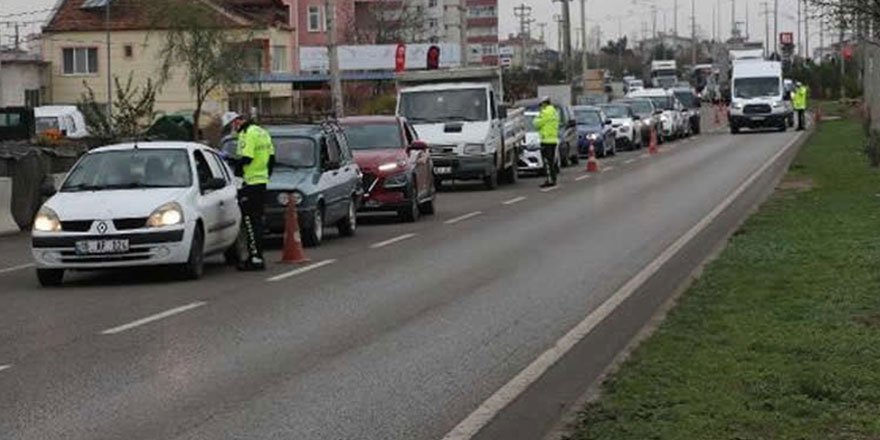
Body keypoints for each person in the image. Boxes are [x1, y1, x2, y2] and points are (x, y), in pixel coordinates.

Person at [222, 112, 276, 271]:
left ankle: (256, 258)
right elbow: (272, 158)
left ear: (237, 122)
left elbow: (247, 159)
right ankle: (257, 255)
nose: (232, 129)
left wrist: (229, 160)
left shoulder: (247, 134)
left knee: (250, 222)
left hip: (250, 183)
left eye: (232, 126)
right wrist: (265, 176)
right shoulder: (262, 132)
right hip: (261, 182)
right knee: (258, 220)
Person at [533, 97, 560, 188]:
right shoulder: (554, 112)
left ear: (544, 104)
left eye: (541, 105)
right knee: (551, 161)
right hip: (553, 139)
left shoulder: (545, 112)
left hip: (546, 140)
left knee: (547, 162)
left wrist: (537, 117)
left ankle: (550, 180)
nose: (540, 107)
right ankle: (553, 178)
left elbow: (536, 123)